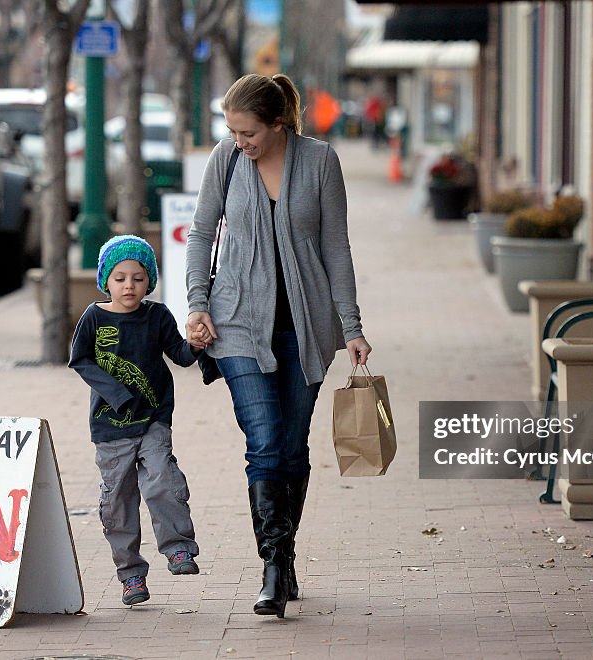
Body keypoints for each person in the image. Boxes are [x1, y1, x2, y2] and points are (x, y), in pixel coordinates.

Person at [185, 73, 372, 618]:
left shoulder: (320, 162)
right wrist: (198, 302)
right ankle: (272, 565)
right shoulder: (225, 159)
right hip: (236, 321)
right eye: (232, 131)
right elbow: (201, 233)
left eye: (247, 132)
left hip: (305, 327)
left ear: (276, 123)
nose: (238, 141)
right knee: (264, 441)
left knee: (292, 447)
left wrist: (352, 326)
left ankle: (285, 559)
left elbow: (336, 246)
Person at [69, 235, 202, 607]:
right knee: (119, 503)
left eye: (139, 278)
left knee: (162, 479)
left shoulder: (156, 315)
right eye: (121, 278)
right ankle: (130, 575)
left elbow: (180, 354)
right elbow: (80, 360)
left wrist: (195, 344)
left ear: (150, 281)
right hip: (110, 429)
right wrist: (116, 394)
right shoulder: (94, 317)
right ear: (106, 281)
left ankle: (178, 548)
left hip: (154, 418)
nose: (129, 286)